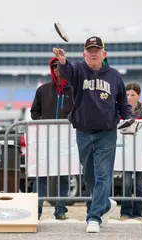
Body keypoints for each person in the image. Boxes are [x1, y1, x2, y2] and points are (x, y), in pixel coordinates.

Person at [53, 36, 134, 233]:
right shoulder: (79, 70)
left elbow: (123, 102)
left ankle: (94, 217)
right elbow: (68, 72)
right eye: (90, 50)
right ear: (84, 54)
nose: (93, 53)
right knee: (89, 175)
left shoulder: (114, 76)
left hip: (107, 132)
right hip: (83, 131)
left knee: (103, 174)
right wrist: (63, 61)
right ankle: (105, 203)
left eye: (97, 50)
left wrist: (129, 118)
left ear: (104, 54)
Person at [30, 57, 73, 220]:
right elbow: (34, 112)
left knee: (64, 175)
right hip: (45, 139)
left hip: (66, 140)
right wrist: (42, 123)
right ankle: (36, 211)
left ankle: (60, 210)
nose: (57, 69)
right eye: (54, 67)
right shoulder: (43, 90)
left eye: (59, 66)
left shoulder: (74, 90)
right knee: (41, 175)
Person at [120, 82, 142, 219]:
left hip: (141, 152)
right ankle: (125, 212)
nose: (129, 97)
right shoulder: (120, 110)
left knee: (139, 184)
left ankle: (138, 213)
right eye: (127, 94)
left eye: (132, 94)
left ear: (138, 96)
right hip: (126, 152)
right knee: (127, 184)